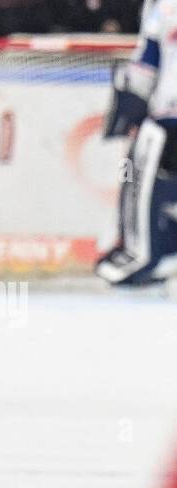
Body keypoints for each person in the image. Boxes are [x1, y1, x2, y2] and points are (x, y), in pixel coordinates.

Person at [96, 0, 177, 287]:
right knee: (149, 190)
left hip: (166, 118)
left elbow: (147, 63)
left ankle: (146, 254)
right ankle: (153, 252)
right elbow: (148, 59)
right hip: (167, 118)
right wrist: (133, 104)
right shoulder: (161, 6)